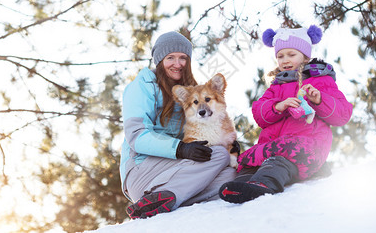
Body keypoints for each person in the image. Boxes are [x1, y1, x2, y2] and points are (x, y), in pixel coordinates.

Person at [219, 25, 353, 203]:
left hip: (305, 146)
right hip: (273, 145)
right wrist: (278, 106)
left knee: (277, 162)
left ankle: (263, 185)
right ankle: (241, 186)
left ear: (305, 56)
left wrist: (320, 99)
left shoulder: (321, 80)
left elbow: (342, 114)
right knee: (250, 163)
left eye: (291, 54)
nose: (285, 60)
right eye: (280, 56)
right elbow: (259, 113)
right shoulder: (277, 85)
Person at [119, 31, 236, 219]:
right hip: (142, 171)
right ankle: (168, 195)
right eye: (170, 57)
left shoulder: (192, 93)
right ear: (159, 60)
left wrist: (227, 142)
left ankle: (163, 201)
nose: (177, 64)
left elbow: (206, 128)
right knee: (219, 155)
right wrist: (180, 148)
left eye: (183, 58)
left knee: (230, 177)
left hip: (176, 172)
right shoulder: (143, 86)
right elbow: (137, 136)